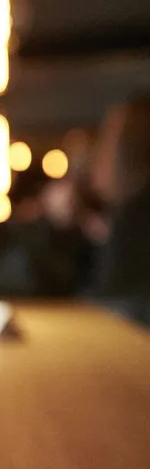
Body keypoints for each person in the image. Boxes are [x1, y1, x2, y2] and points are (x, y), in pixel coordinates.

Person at [88, 96, 150, 327]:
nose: (98, 156)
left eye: (107, 143)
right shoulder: (132, 211)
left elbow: (117, 301)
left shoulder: (137, 213)